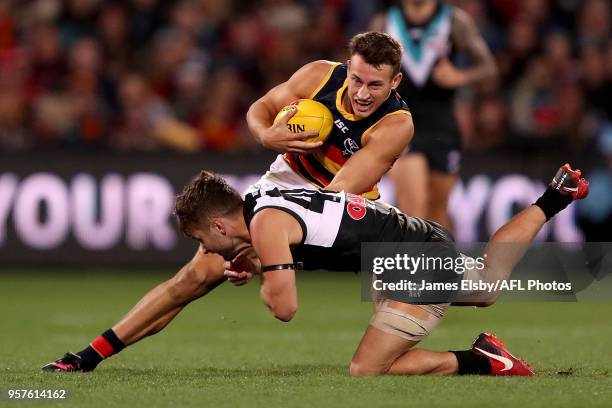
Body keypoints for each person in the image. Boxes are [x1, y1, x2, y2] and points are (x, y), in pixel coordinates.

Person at [42, 32, 415, 372]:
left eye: (375, 85)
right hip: (285, 178)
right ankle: (88, 356)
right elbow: (260, 108)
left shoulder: (395, 125)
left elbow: (334, 192)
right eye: (356, 79)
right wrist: (268, 137)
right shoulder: (319, 76)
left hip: (342, 204)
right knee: (197, 273)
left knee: (427, 289)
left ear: (395, 81)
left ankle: (468, 299)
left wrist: (257, 247)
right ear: (347, 67)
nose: (362, 93)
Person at [167, 163, 585, 376]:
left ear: (219, 225)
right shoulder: (264, 199)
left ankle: (485, 362)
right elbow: (299, 238)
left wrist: (265, 280)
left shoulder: (265, 224)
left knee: (367, 369)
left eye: (203, 240)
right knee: (488, 285)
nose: (207, 250)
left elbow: (284, 307)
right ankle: (554, 198)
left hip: (415, 261)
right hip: (408, 243)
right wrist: (256, 263)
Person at [371, 0, 497, 229]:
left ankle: (439, 263)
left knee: (438, 212)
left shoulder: (454, 21)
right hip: (401, 120)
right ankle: (415, 264)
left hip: (443, 124)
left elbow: (488, 67)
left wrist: (459, 77)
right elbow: (360, 68)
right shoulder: (385, 23)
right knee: (414, 211)